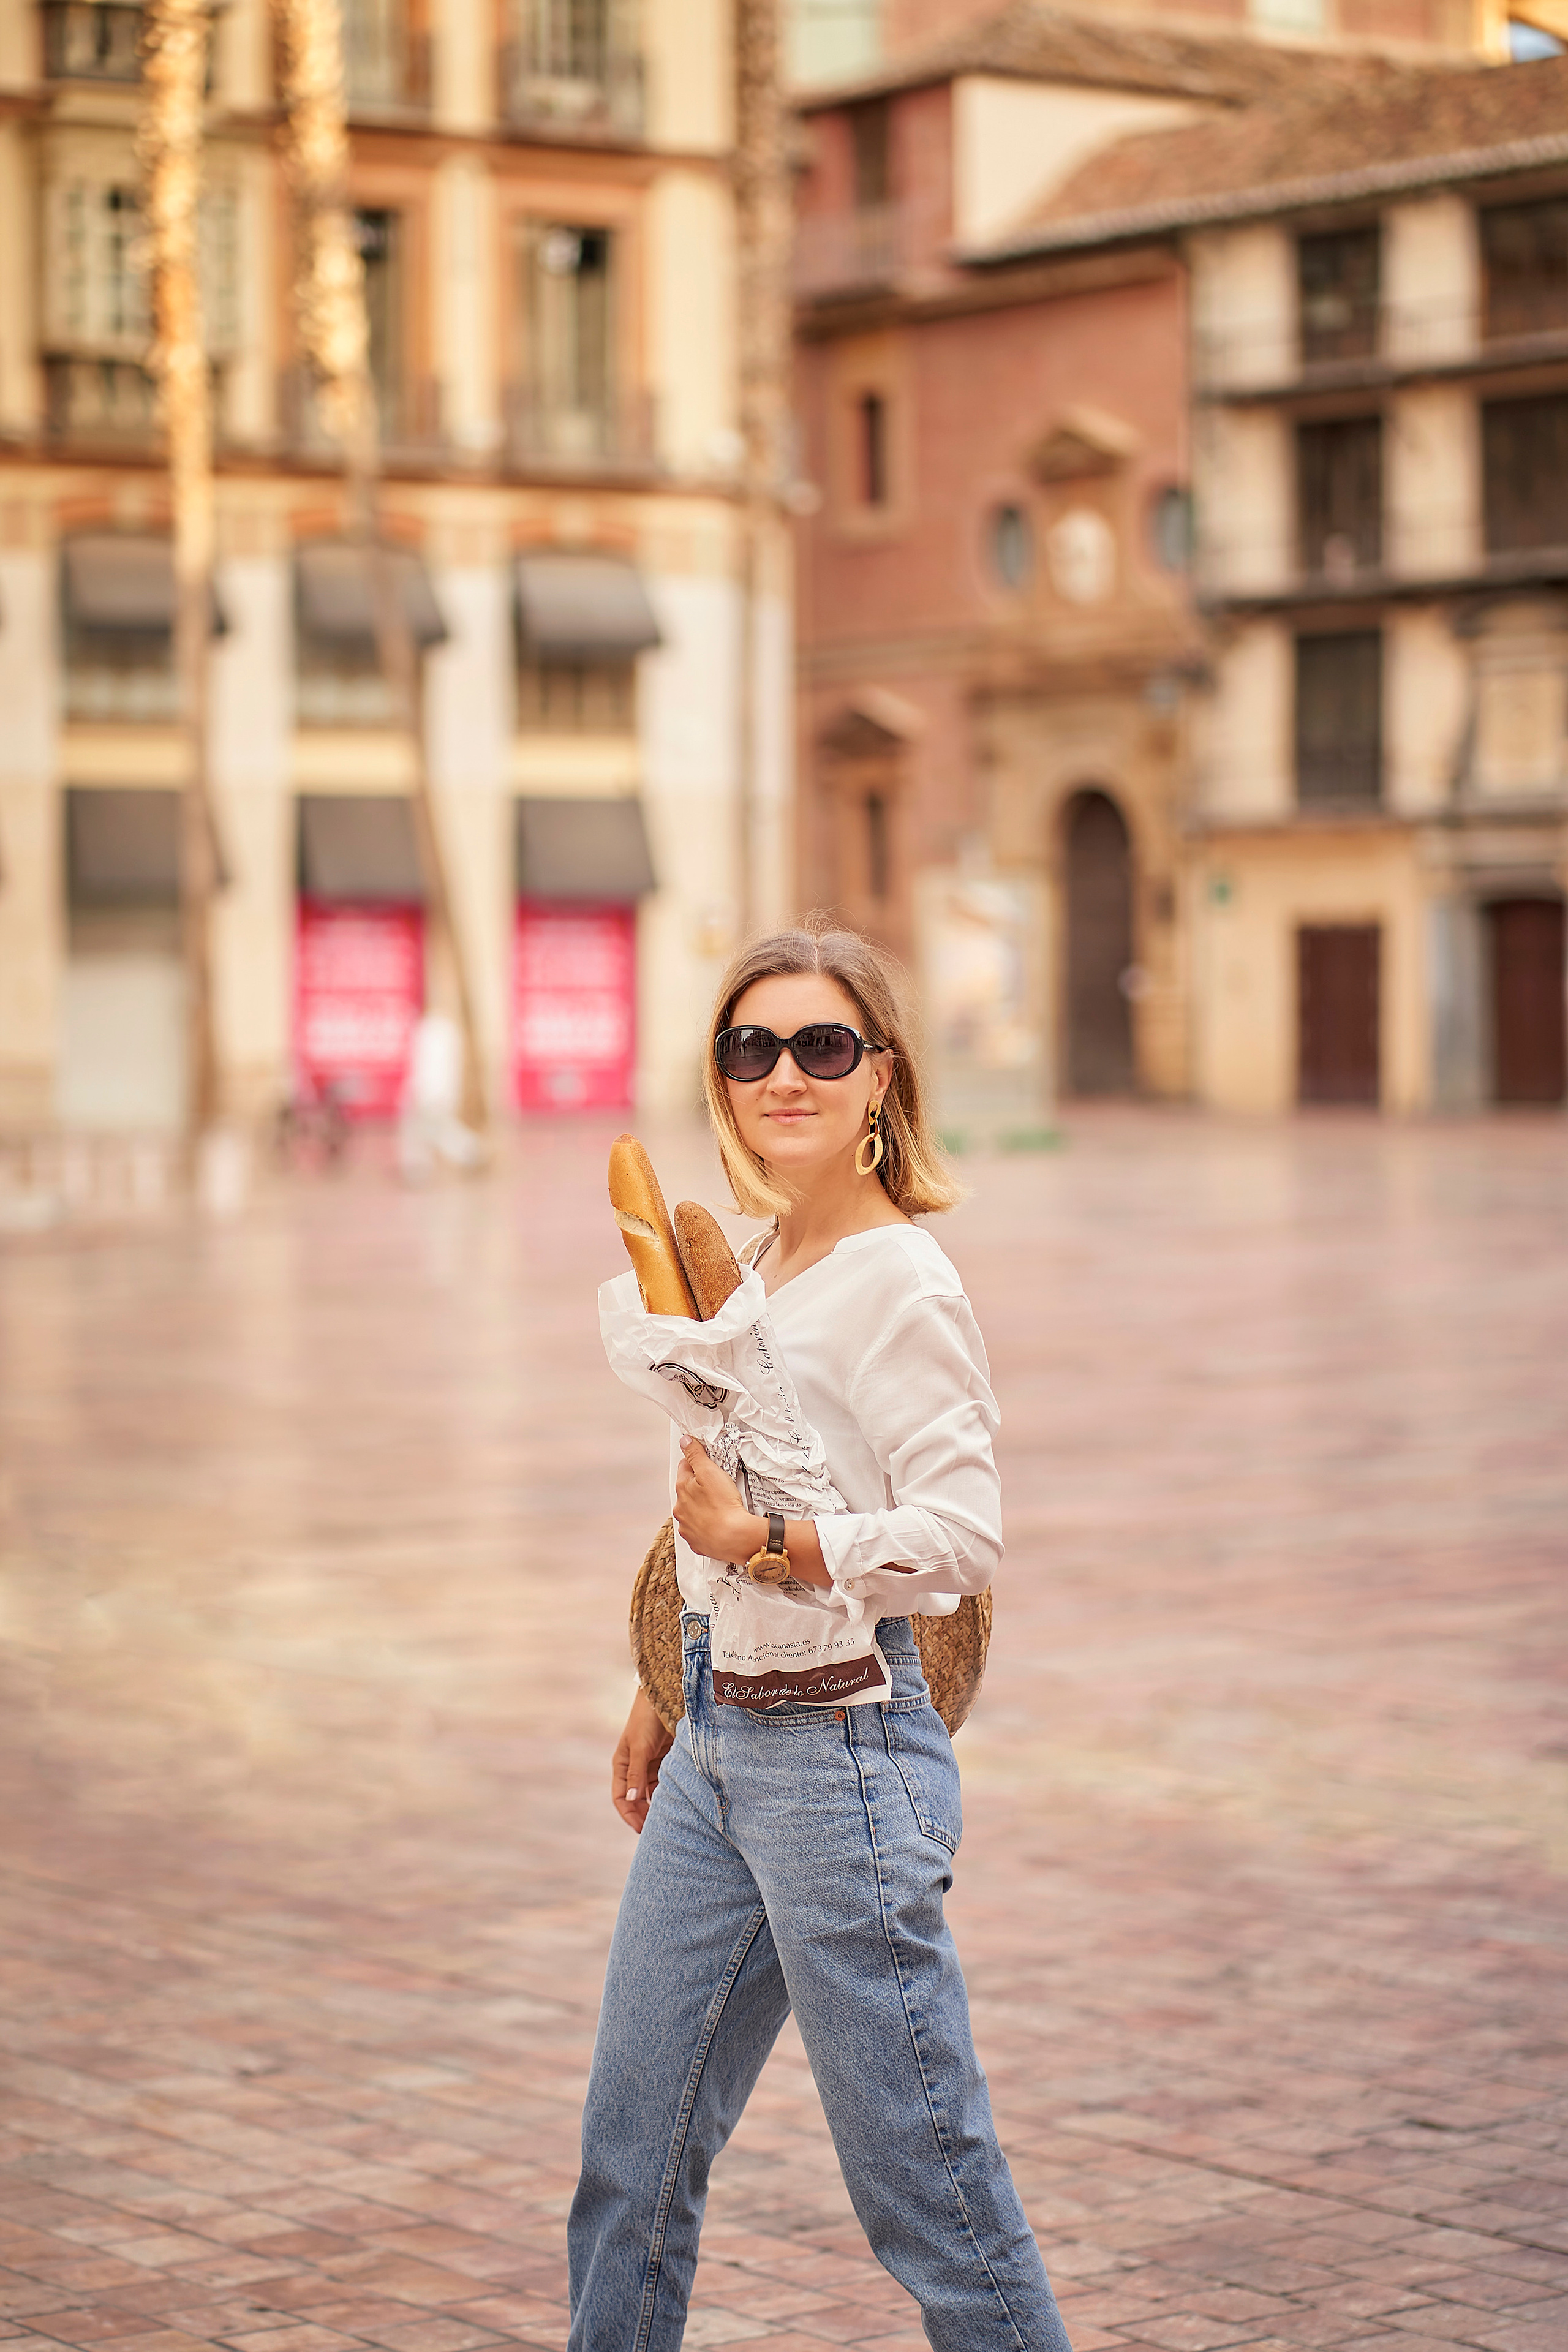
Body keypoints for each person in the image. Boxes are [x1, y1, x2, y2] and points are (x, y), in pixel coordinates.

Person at [567, 921, 1073, 2352]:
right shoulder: (765, 1262)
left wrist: (771, 1550)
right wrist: (665, 1681)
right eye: (750, 1048)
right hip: (721, 1751)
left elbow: (960, 1538)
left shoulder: (900, 1281)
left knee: (927, 2191)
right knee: (631, 2157)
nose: (781, 1074)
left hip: (844, 1764)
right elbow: (729, 1483)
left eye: (820, 1046)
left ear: (879, 1081)